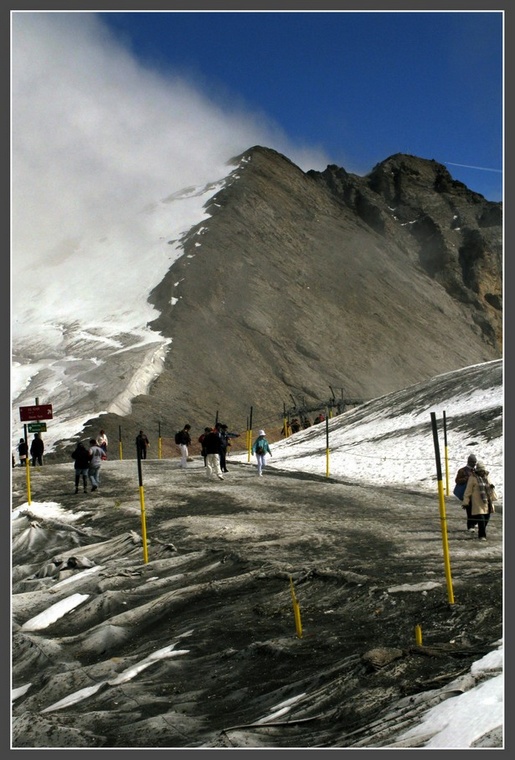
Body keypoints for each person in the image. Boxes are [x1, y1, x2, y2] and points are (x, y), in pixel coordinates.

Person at [462, 460, 497, 541]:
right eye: (480, 470)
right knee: (481, 519)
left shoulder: (486, 476)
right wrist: (465, 502)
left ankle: (481, 530)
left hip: (487, 502)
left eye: (483, 470)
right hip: (477, 503)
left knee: (486, 519)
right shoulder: (472, 478)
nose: (482, 472)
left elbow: (489, 487)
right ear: (477, 470)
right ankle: (482, 535)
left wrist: (491, 487)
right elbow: (468, 491)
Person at [454, 454, 478, 533]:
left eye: (475, 462)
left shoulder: (476, 471)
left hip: (475, 493)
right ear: (469, 462)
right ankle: (470, 526)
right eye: (473, 462)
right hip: (467, 494)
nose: (474, 464)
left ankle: (474, 522)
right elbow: (457, 481)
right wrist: (467, 479)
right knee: (469, 509)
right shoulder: (462, 470)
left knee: (475, 509)